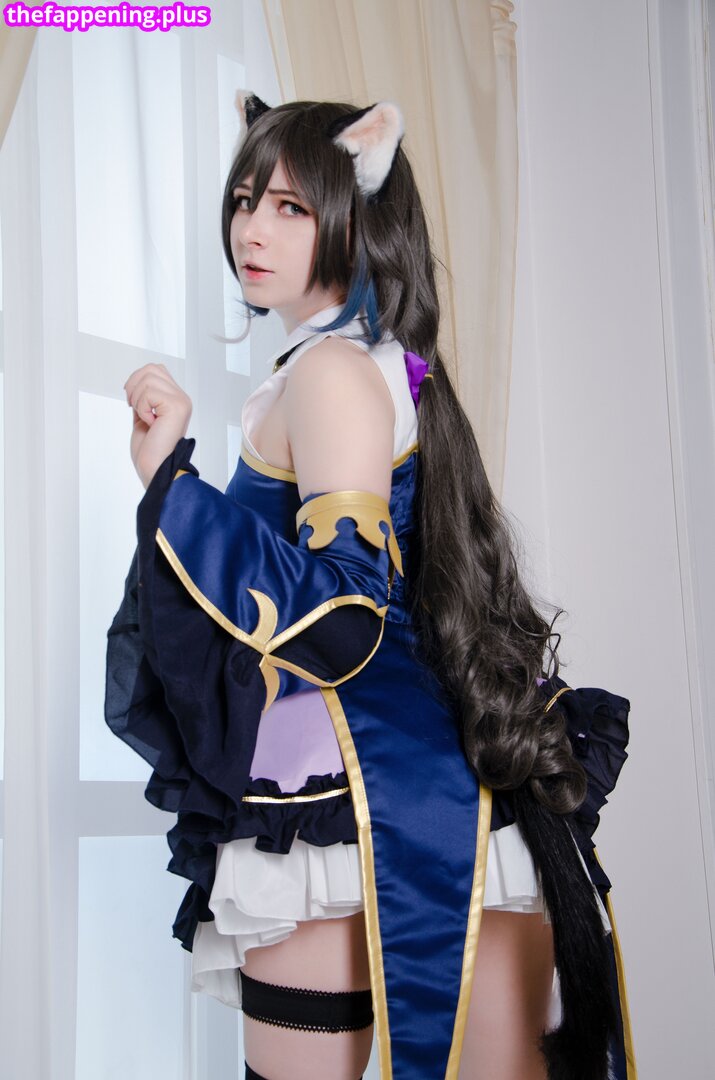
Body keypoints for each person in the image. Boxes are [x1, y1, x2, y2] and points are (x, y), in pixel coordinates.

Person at [105, 95, 636, 1080]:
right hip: (449, 776)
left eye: (290, 207)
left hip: (364, 784)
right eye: (245, 200)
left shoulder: (329, 374)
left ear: (361, 214)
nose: (251, 229)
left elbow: (344, 613)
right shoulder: (383, 366)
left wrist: (172, 486)